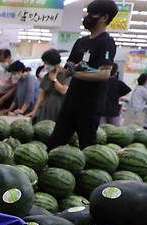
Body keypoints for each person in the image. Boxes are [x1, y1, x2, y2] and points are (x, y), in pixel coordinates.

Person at [47, 0, 119, 148]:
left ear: (104, 18)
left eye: (92, 14)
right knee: (54, 142)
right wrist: (62, 69)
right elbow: (67, 70)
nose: (87, 17)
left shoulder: (106, 42)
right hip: (71, 101)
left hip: (90, 106)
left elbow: (104, 74)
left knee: (87, 147)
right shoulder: (81, 42)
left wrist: (76, 74)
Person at [28, 49, 70, 122]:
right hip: (46, 108)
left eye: (46, 63)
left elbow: (64, 91)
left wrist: (54, 80)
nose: (45, 65)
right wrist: (34, 111)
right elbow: (42, 94)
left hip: (59, 107)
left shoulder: (66, 75)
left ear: (55, 63)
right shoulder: (47, 76)